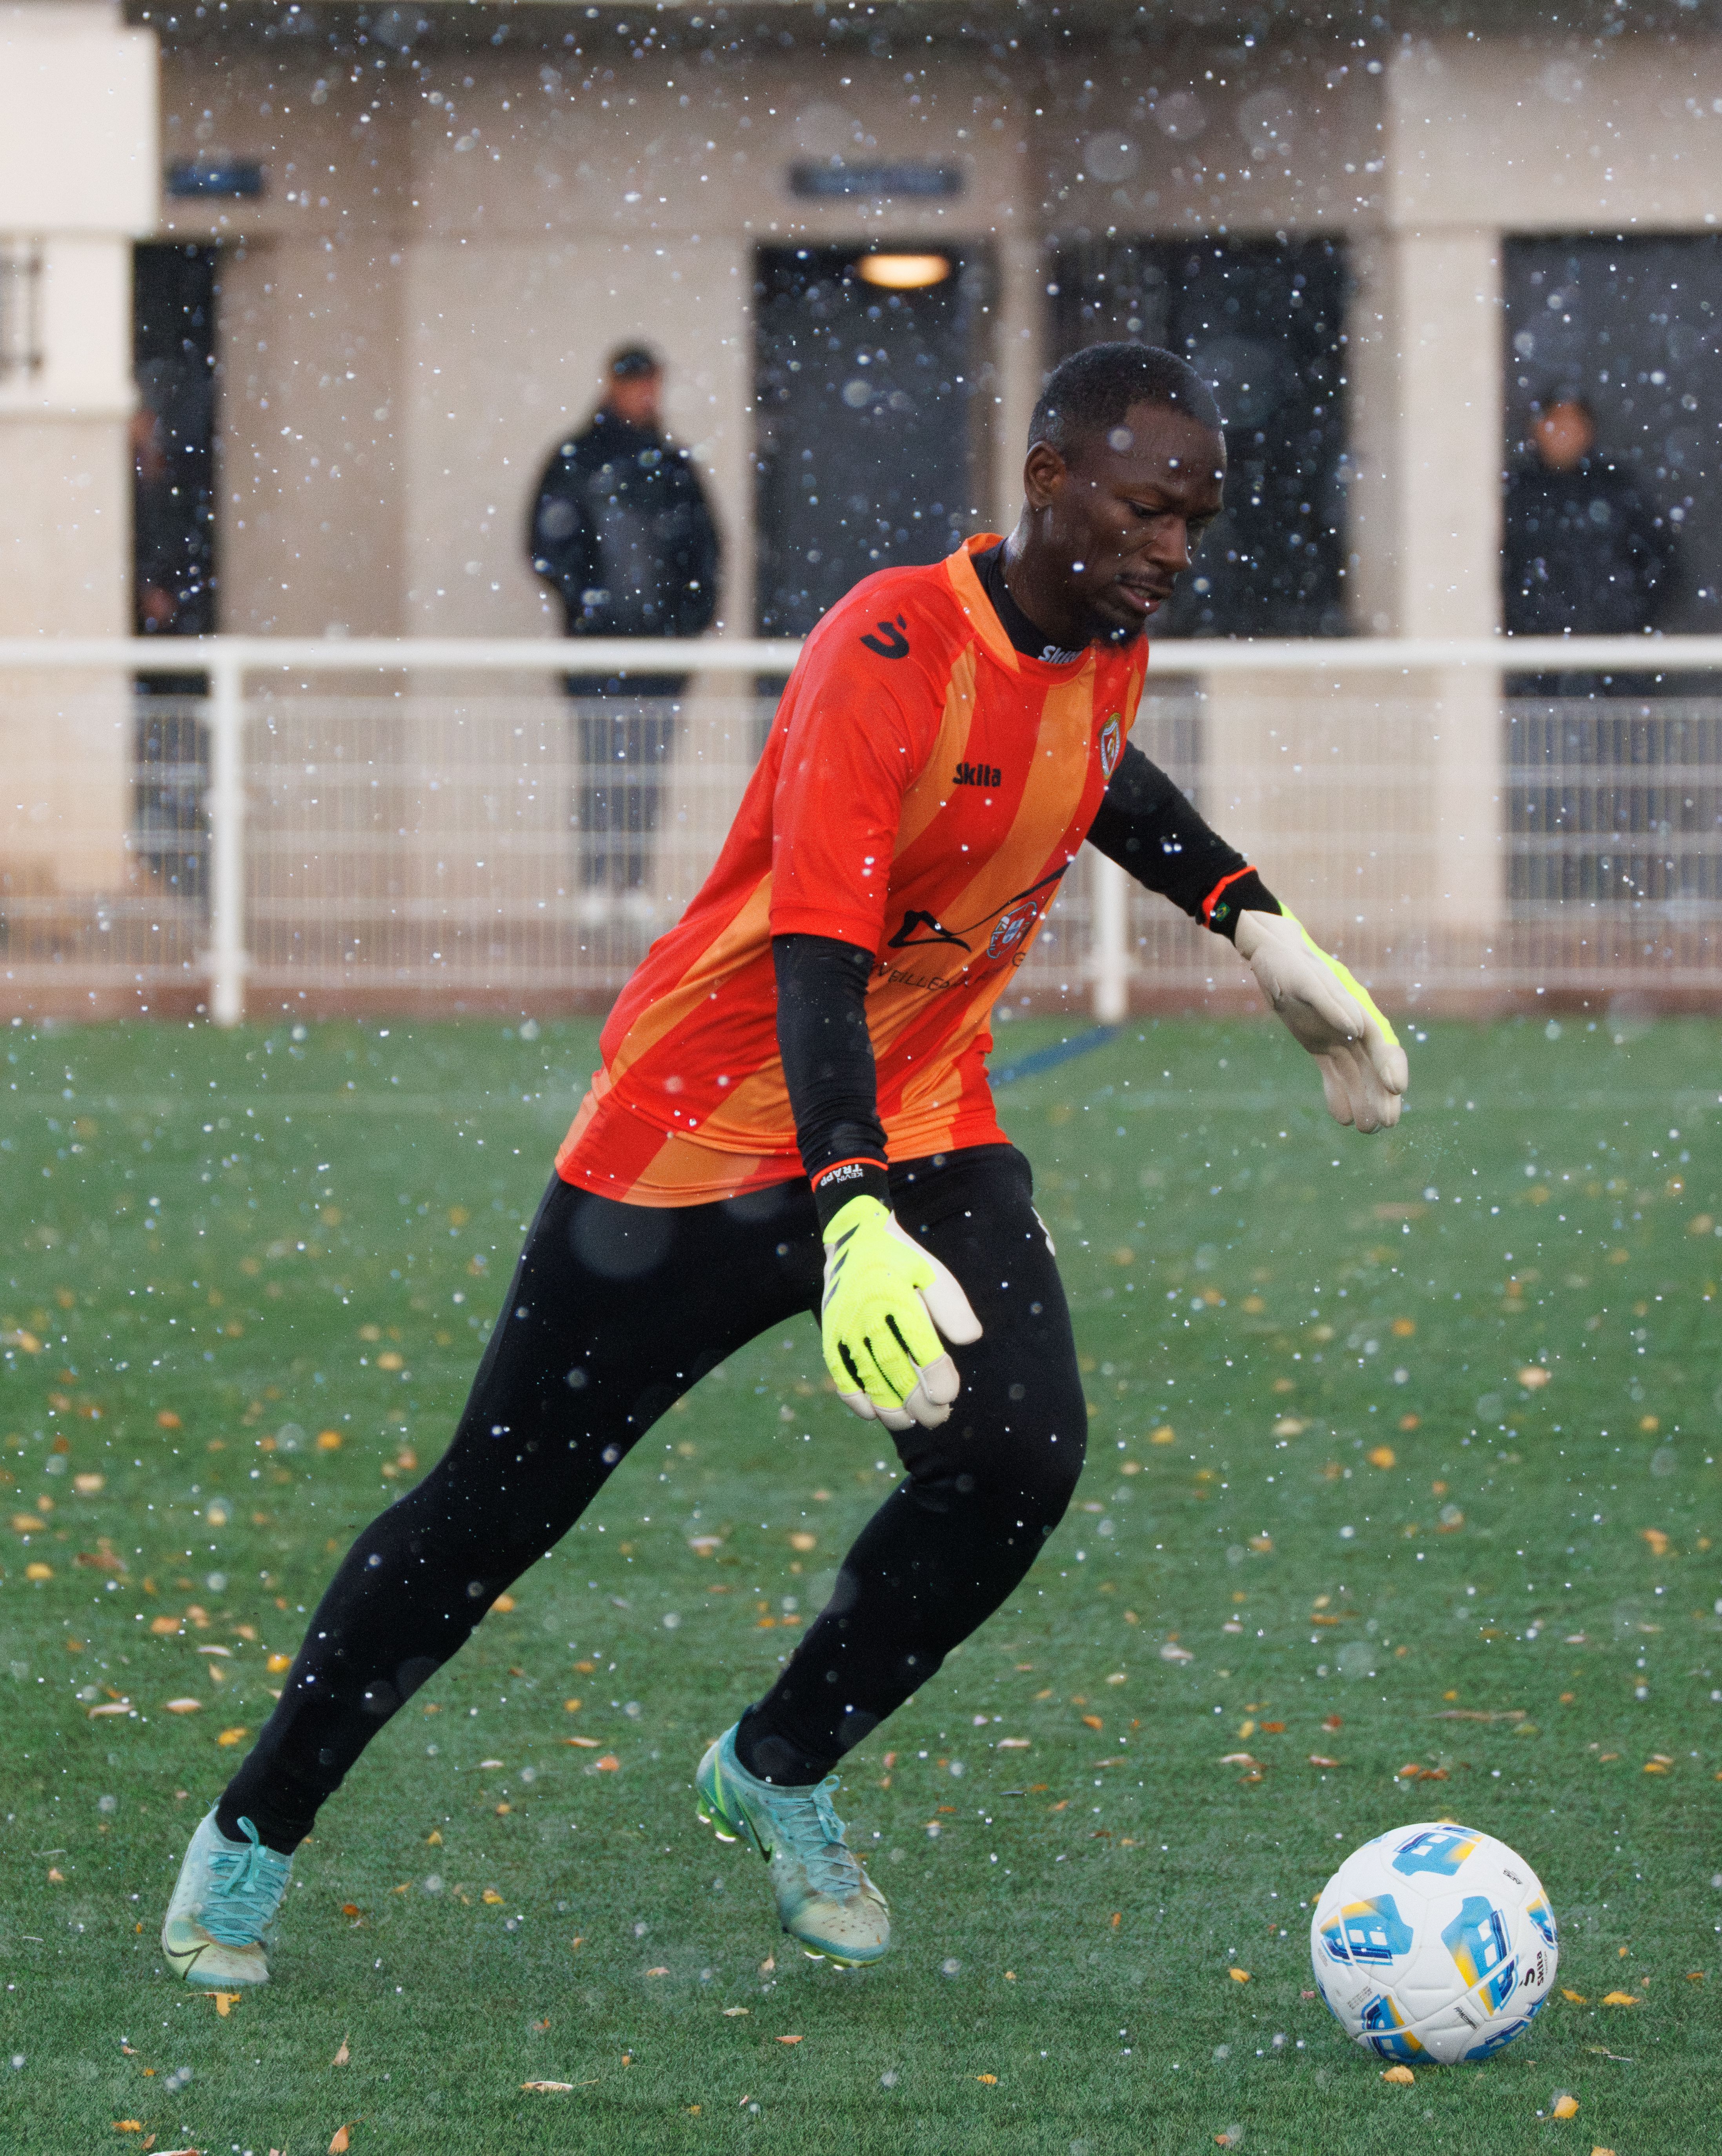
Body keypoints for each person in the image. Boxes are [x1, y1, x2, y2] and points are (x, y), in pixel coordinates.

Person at [162, 342, 1407, 1989]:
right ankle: (253, 1825)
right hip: (697, 1140)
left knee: (1017, 1458)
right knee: (494, 1508)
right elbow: (815, 960)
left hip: (922, 1119)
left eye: (1197, 519)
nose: (1173, 548)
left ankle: (777, 1763)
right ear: (1046, 481)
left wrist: (1252, 918)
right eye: (1144, 510)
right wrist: (848, 1213)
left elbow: (1097, 770)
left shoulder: (1107, 637)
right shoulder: (885, 648)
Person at [528, 346, 722, 891]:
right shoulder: (578, 461)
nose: (645, 395)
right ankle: (596, 883)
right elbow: (546, 544)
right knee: (600, 763)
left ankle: (632, 884)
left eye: (651, 384)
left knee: (645, 770)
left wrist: (686, 623)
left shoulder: (672, 467)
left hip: (658, 651)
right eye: (636, 384)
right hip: (598, 647)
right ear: (613, 385)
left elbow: (705, 552)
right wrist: (588, 604)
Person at [1502, 394, 1675, 692]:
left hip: (1616, 668)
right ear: (1537, 429)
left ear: (1588, 430)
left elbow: (1662, 563)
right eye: (1555, 423)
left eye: (1574, 423)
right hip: (1534, 667)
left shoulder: (1617, 488)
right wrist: (1523, 622)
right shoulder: (1515, 493)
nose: (1564, 433)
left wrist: (1627, 620)